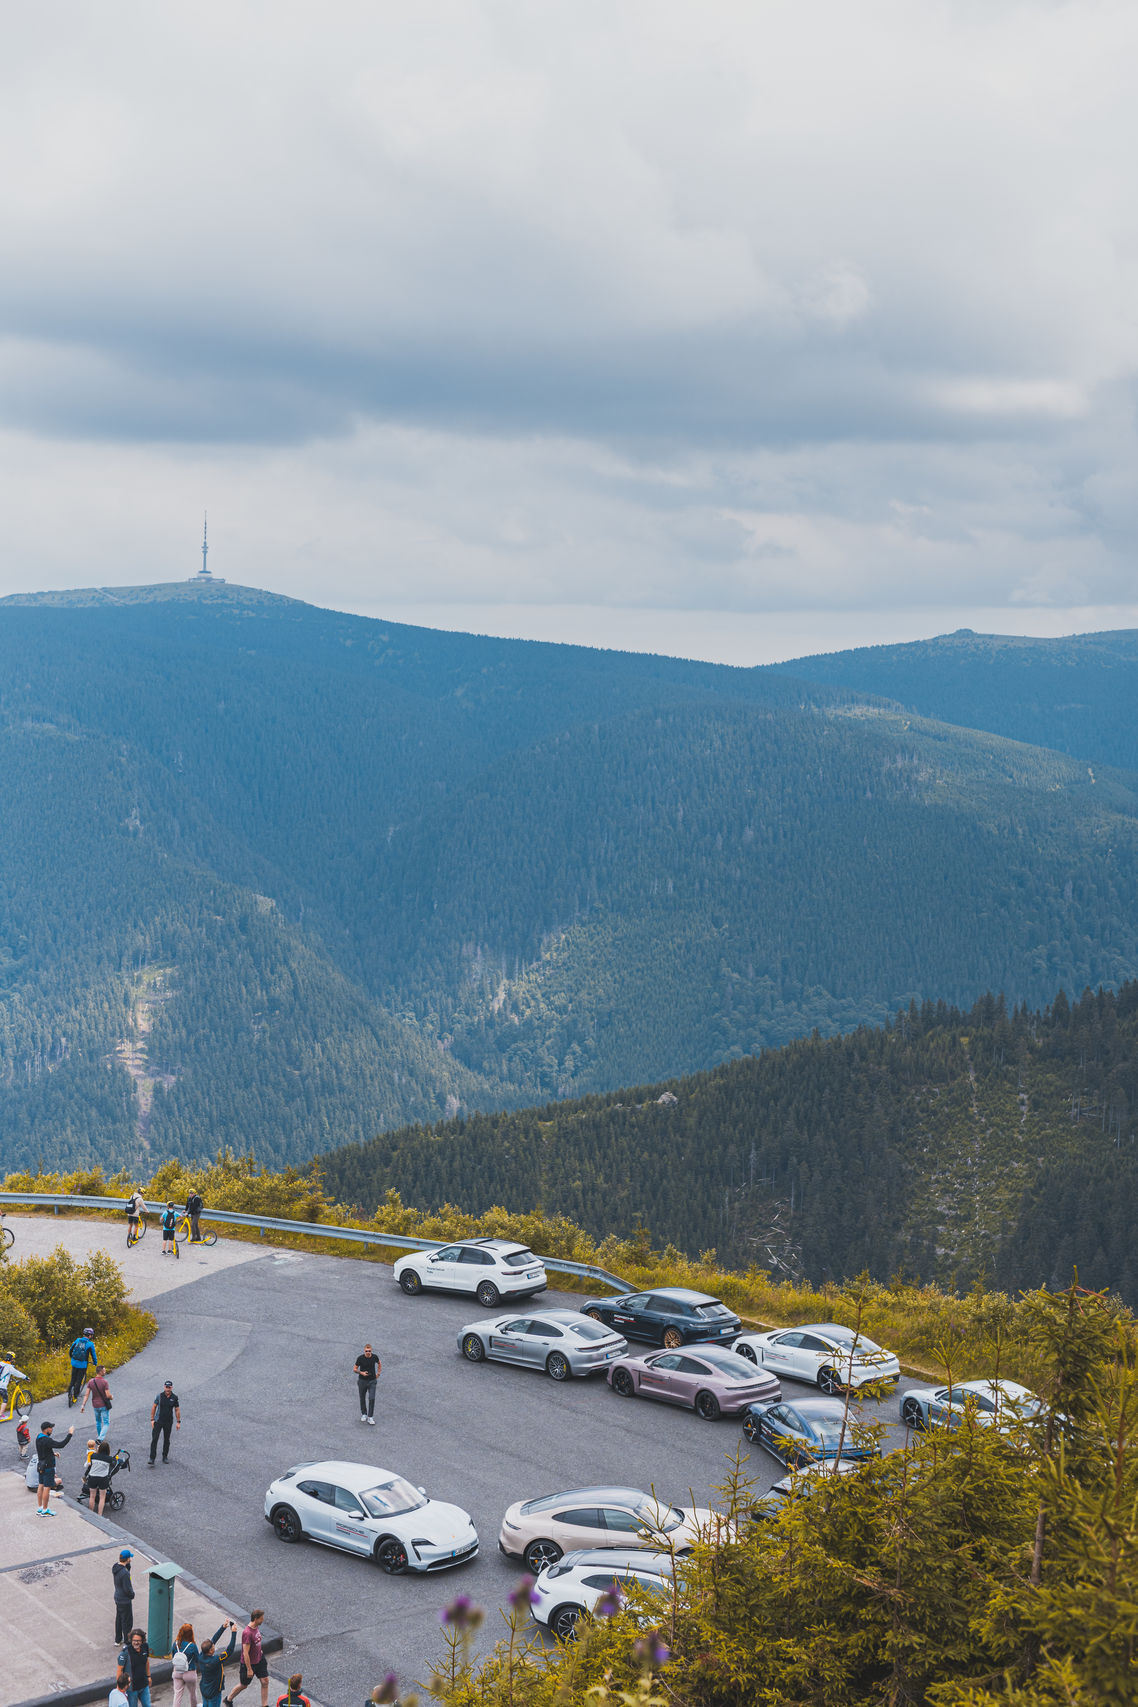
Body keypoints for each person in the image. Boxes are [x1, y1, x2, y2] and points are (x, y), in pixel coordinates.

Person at [224, 1610, 268, 1707]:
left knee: (265, 1681)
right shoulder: (247, 1633)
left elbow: (256, 1642)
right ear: (256, 1619)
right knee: (244, 1685)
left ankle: (265, 1705)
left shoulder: (256, 1626)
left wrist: (259, 1651)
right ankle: (228, 1699)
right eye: (261, 1618)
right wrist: (249, 1669)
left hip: (260, 1659)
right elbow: (245, 1653)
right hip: (249, 1664)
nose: (263, 1620)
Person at [35, 1419, 73, 1513]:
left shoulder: (38, 1438)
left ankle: (40, 1507)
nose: (52, 1429)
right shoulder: (47, 1440)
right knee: (46, 1488)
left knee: (40, 1485)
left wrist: (53, 1454)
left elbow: (43, 1450)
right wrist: (70, 1434)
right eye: (51, 1428)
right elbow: (61, 1444)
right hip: (48, 1467)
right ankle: (45, 1510)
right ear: (46, 1429)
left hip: (41, 1465)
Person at [198, 1624, 238, 1707]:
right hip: (214, 1693)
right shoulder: (215, 1660)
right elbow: (230, 1650)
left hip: (204, 1689)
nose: (214, 1647)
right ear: (210, 1651)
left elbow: (213, 1640)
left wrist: (223, 1627)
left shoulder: (201, 1656)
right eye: (213, 1647)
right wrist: (234, 1633)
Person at [148, 1380, 181, 1465]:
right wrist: (152, 1419)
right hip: (158, 1421)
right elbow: (154, 1407)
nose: (168, 1389)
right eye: (166, 1387)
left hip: (168, 1422)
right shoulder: (159, 1396)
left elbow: (177, 1409)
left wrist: (178, 1422)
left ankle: (165, 1456)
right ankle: (152, 1458)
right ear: (164, 1387)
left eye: (169, 1387)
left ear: (171, 1387)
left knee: (167, 1440)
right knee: (154, 1439)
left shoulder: (174, 1397)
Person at [173, 1621, 204, 1707]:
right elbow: (198, 1660)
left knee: (177, 1694)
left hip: (177, 1672)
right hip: (189, 1673)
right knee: (193, 1693)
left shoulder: (175, 1644)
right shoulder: (192, 1646)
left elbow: (173, 1658)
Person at [118, 1628, 152, 1707]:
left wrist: (149, 1676)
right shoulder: (125, 1653)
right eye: (134, 1640)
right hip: (131, 1689)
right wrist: (119, 1688)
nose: (136, 1642)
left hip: (144, 1686)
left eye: (138, 1640)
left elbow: (146, 1662)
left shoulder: (145, 1646)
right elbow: (119, 1670)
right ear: (131, 1640)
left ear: (142, 1640)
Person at [80, 1363, 113, 1440]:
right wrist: (112, 1397)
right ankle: (100, 1438)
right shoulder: (105, 1382)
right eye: (104, 1371)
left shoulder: (91, 1382)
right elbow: (108, 1395)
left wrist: (83, 1405)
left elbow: (86, 1395)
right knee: (106, 1423)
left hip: (95, 1405)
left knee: (98, 1422)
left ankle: (99, 1436)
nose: (105, 1372)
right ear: (100, 1372)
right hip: (104, 1405)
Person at [67, 1327, 98, 1405]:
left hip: (74, 1363)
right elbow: (93, 1355)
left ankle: (69, 1394)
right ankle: (75, 1397)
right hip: (82, 1365)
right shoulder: (90, 1344)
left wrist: (72, 1358)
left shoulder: (77, 1340)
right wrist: (95, 1362)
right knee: (78, 1381)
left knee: (73, 1379)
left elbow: (71, 1350)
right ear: (90, 1335)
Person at [354, 1343, 380, 1424]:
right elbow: (354, 1369)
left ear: (371, 1351)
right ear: (364, 1351)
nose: (368, 1352)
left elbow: (379, 1363)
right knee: (362, 1397)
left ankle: (370, 1417)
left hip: (372, 1381)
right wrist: (361, 1373)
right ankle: (364, 1414)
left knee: (372, 1398)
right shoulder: (360, 1358)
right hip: (362, 1381)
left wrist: (378, 1373)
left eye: (369, 1351)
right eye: (366, 1351)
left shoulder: (374, 1357)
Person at [113, 1550, 135, 1643]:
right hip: (125, 1600)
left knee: (119, 1618)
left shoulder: (115, 1567)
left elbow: (125, 1570)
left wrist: (127, 1566)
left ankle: (118, 1640)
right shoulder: (125, 1574)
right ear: (127, 1559)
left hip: (118, 1597)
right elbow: (127, 1589)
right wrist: (132, 1595)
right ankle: (127, 1642)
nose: (131, 1559)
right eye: (130, 1558)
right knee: (127, 1622)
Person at [86, 1437, 113, 1514]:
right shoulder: (109, 1458)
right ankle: (99, 1515)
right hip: (103, 1478)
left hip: (92, 1477)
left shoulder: (93, 1456)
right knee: (102, 1497)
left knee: (92, 1496)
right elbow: (112, 1464)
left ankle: (90, 1512)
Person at [0, 1351, 27, 1421]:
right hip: (1, 1386)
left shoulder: (1, 1363)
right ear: (11, 1359)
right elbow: (17, 1373)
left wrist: (9, 1378)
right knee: (5, 1400)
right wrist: (26, 1377)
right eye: (13, 1359)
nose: (13, 1360)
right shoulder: (9, 1367)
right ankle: (0, 1416)